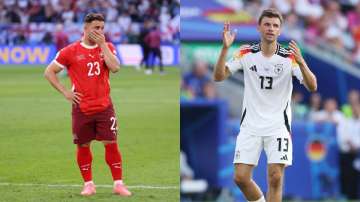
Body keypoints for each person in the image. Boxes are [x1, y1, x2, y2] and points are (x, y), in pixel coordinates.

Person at [213, 9, 317, 202]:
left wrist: (302, 62)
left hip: (277, 126)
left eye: (275, 25)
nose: (271, 28)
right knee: (241, 178)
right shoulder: (246, 52)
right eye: (267, 24)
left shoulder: (289, 57)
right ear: (259, 27)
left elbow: (312, 86)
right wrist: (225, 49)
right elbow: (218, 76)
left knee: (275, 177)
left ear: (280, 31)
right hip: (250, 125)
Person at [44, 13, 131, 197]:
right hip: (81, 108)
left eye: (102, 28)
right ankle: (89, 184)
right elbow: (49, 72)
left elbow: (115, 68)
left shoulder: (107, 47)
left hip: (104, 106)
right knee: (83, 146)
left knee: (111, 143)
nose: (99, 31)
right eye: (96, 28)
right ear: (85, 28)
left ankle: (118, 184)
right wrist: (65, 92)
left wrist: (102, 45)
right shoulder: (70, 51)